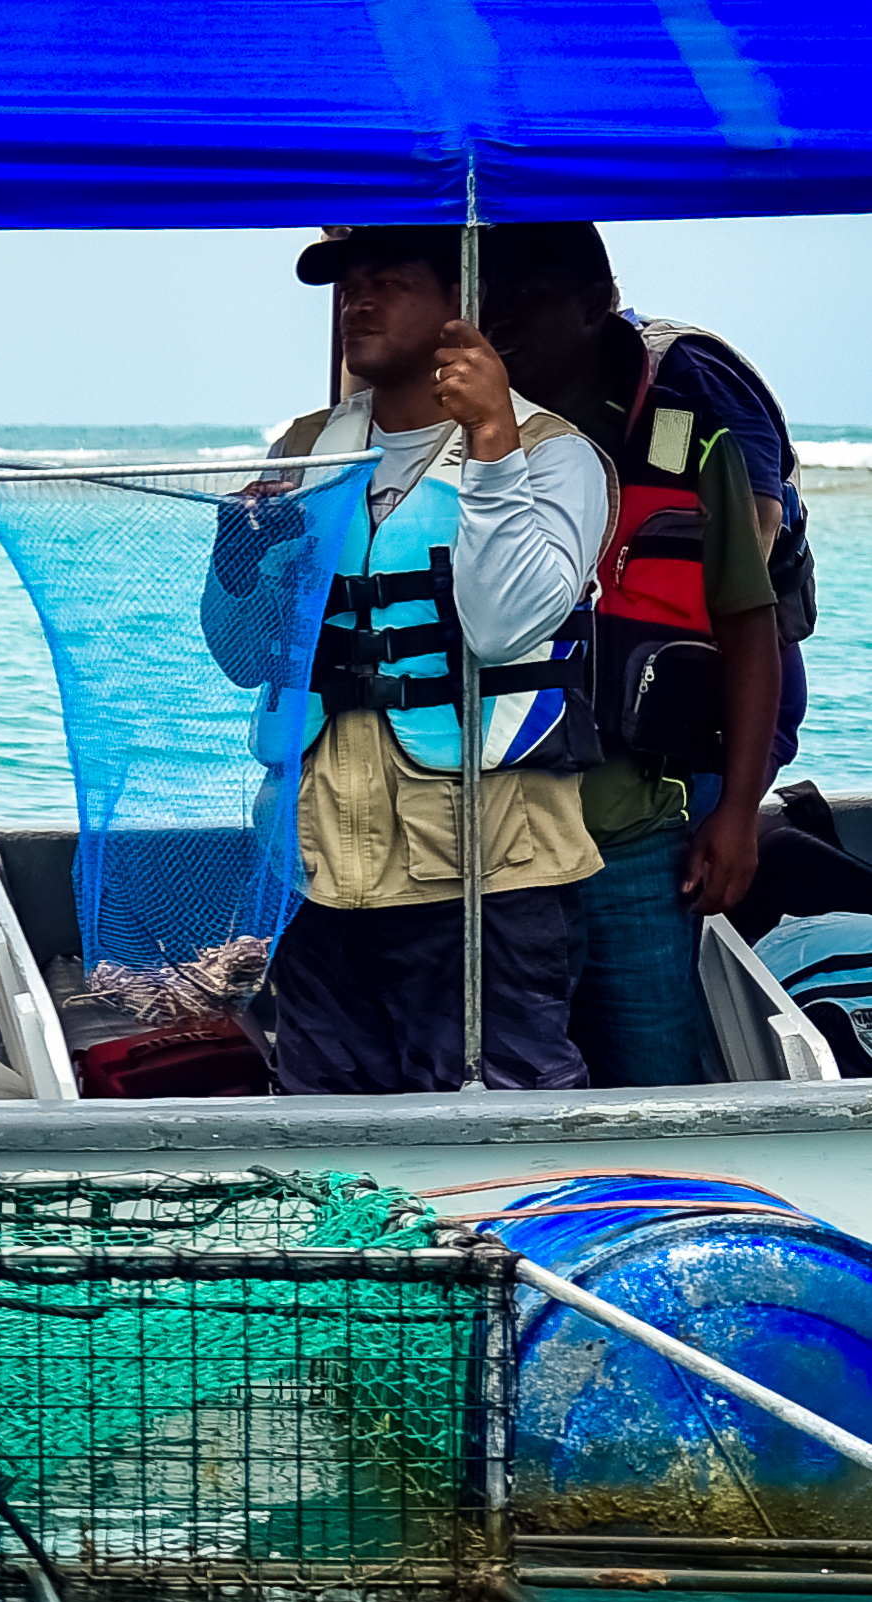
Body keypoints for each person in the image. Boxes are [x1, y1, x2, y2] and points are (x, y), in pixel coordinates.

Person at [222, 230, 616, 1092]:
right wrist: (237, 561)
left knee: (501, 1107)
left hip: (486, 867)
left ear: (458, 307)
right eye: (348, 286)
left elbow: (508, 622)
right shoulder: (301, 449)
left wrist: (490, 443)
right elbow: (243, 654)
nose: (356, 302)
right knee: (324, 1115)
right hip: (314, 864)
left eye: (389, 282)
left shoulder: (556, 454)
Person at [479, 221, 815, 1084]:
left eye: (526, 303)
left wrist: (735, 812)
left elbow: (748, 613)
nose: (498, 322)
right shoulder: (457, 436)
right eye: (486, 301)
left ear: (597, 306)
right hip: (497, 830)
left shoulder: (701, 408)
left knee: (651, 1065)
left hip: (639, 805)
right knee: (505, 1073)